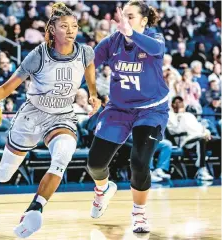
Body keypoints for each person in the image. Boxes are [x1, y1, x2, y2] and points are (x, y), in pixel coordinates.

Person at [0, 3, 100, 239]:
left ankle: (34, 209)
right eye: (65, 26)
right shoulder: (38, 55)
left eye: (74, 26)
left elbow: (90, 70)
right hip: (32, 116)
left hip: (61, 116)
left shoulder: (85, 52)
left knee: (63, 155)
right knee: (4, 173)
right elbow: (5, 89)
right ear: (53, 30)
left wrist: (93, 94)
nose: (72, 30)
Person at [87, 0, 169, 233]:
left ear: (143, 21)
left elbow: (157, 51)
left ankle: (139, 214)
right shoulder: (113, 42)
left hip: (151, 109)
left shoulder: (154, 38)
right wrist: (92, 93)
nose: (124, 20)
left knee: (140, 162)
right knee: (95, 164)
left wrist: (131, 33)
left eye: (130, 16)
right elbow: (89, 62)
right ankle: (103, 189)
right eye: (123, 16)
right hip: (118, 109)